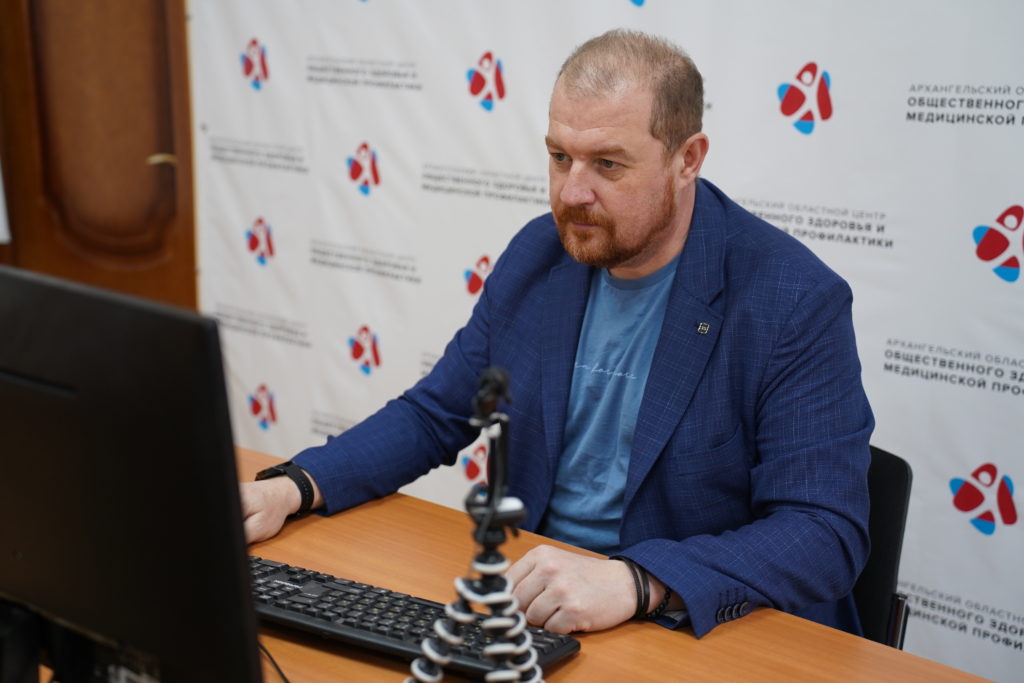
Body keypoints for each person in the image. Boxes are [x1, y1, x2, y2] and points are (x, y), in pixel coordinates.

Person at [241, 29, 873, 639]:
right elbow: (435, 415)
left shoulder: (792, 300)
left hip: (686, 624)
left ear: (687, 160)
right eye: (560, 157)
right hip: (538, 603)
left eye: (608, 164)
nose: (572, 193)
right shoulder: (539, 255)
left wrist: (638, 580)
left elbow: (824, 531)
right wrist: (294, 487)